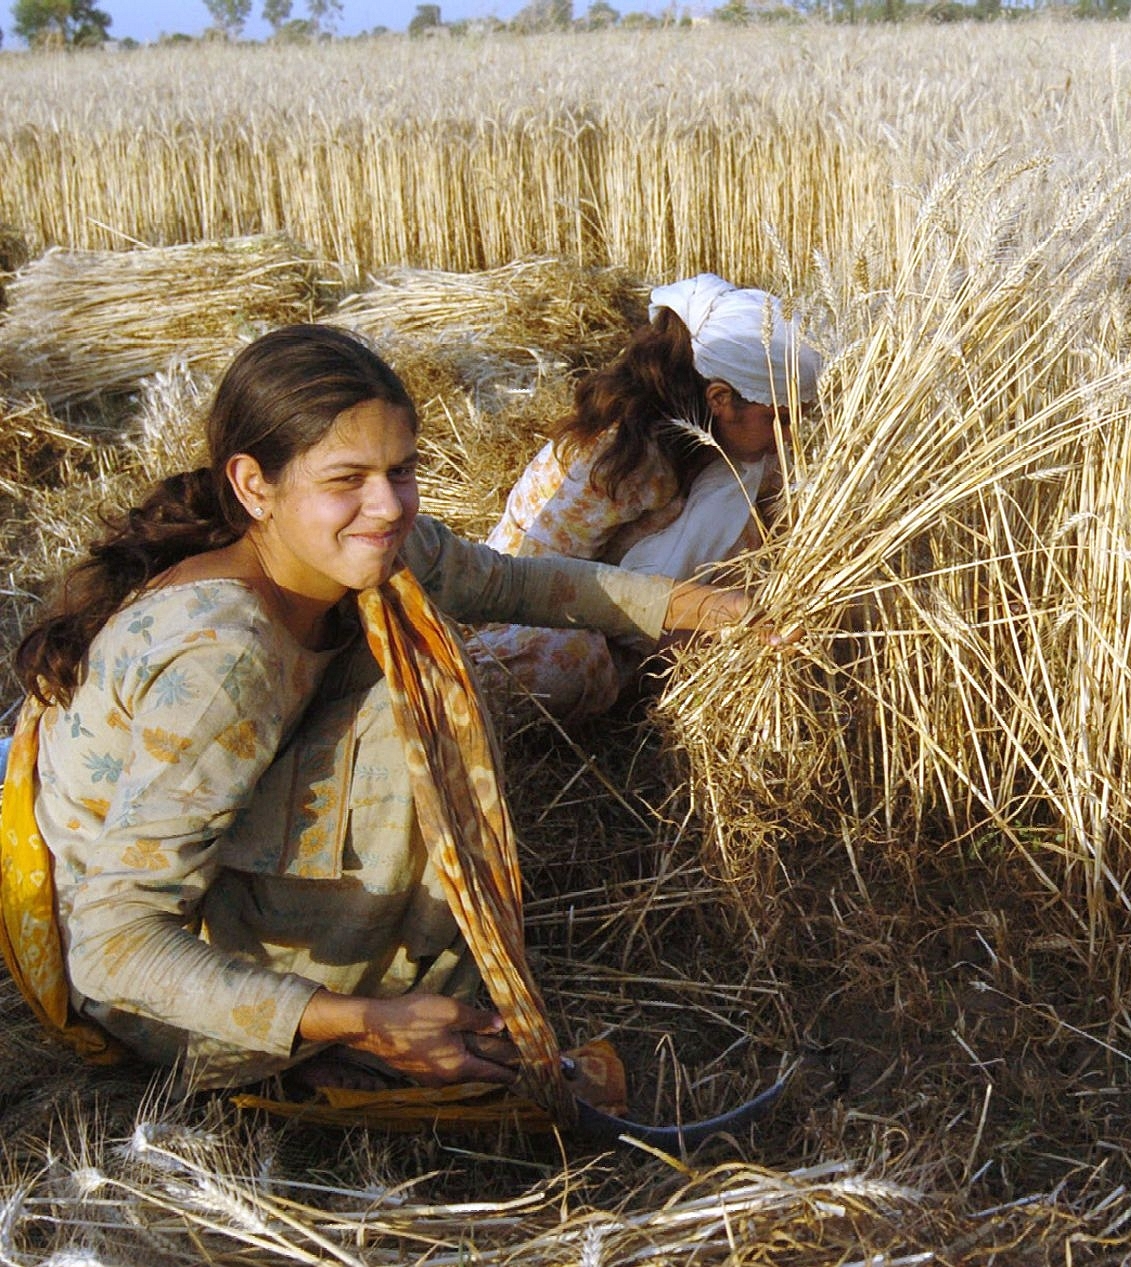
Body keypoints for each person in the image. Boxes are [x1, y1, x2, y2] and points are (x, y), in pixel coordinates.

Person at [0, 324, 753, 1097]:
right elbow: (112, 943)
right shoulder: (224, 663)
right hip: (150, 993)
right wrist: (359, 1020)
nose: (386, 505)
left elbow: (505, 584)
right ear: (254, 484)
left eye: (402, 470)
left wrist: (699, 607)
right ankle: (345, 1029)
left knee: (415, 654)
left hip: (189, 905)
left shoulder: (343, 549)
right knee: (409, 716)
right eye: (347, 479)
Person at [471, 273, 822, 722]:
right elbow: (535, 585)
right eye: (783, 418)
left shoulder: (748, 450)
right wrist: (674, 627)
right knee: (570, 663)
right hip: (548, 615)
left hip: (659, 617)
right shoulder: (617, 459)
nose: (791, 436)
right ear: (721, 400)